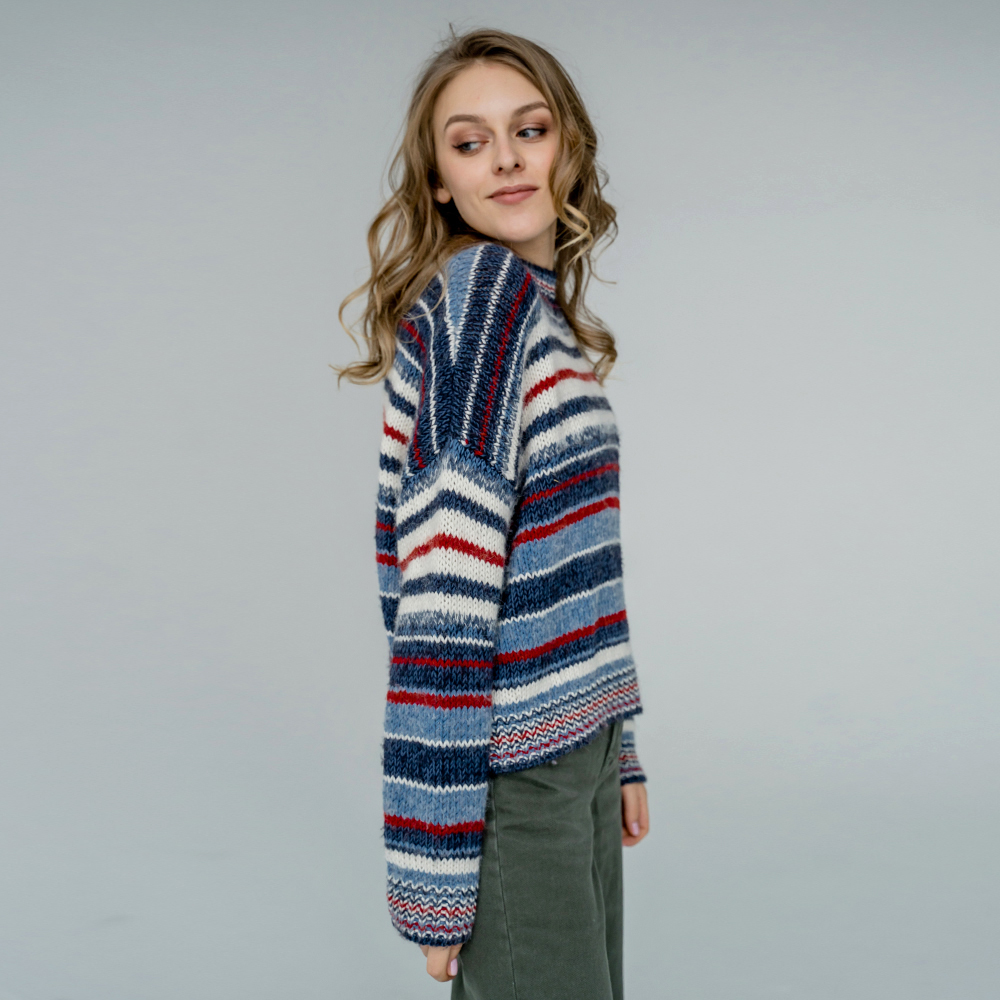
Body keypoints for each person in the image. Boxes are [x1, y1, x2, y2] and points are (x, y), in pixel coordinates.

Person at [336, 27, 649, 999]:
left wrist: (619, 745)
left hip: (576, 755)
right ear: (439, 181)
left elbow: (575, 563)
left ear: (569, 147)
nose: (506, 159)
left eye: (530, 129)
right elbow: (441, 599)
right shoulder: (483, 302)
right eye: (470, 142)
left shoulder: (541, 316)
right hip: (514, 782)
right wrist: (433, 873)